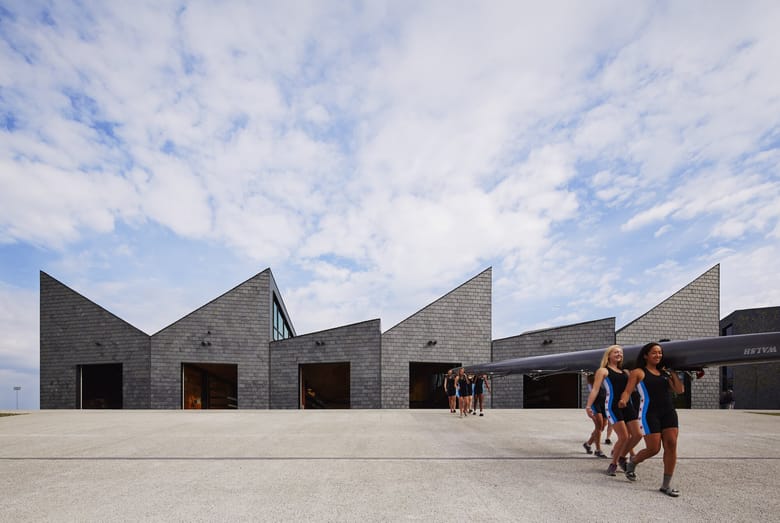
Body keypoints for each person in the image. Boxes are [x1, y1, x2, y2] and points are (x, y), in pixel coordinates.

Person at [619, 341, 685, 497]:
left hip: (669, 411)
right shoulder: (639, 372)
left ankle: (666, 485)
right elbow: (628, 391)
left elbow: (680, 390)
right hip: (649, 412)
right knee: (654, 448)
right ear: (646, 355)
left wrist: (673, 372)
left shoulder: (665, 373)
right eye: (654, 352)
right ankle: (633, 462)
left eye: (660, 353)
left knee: (671, 444)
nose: (658, 355)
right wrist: (623, 400)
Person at [585, 345, 642, 476]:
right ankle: (614, 463)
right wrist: (588, 406)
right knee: (624, 437)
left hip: (628, 406)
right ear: (609, 355)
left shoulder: (626, 372)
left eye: (621, 353)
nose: (619, 354)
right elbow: (595, 389)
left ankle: (622, 457)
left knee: (638, 435)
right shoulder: (603, 371)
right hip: (613, 406)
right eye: (616, 352)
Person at [583, 373, 607, 458]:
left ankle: (588, 444)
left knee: (602, 427)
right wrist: (588, 407)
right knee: (599, 426)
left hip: (604, 404)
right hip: (595, 404)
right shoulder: (592, 382)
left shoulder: (604, 378)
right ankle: (598, 450)